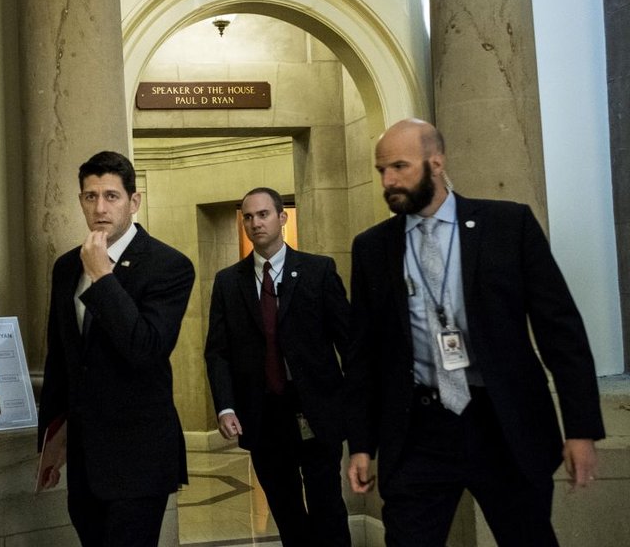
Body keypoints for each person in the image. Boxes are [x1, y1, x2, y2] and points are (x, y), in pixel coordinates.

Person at [345, 119, 605, 546]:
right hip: (417, 432)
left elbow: (561, 331)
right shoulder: (373, 247)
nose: (388, 181)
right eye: (381, 171)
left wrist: (580, 429)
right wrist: (361, 443)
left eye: (399, 167)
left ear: (437, 163)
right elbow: (363, 355)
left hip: (502, 426)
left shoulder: (508, 226)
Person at [36, 151, 195, 547]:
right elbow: (61, 359)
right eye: (90, 197)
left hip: (139, 458)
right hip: (86, 461)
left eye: (111, 196)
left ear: (133, 201)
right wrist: (49, 444)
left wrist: (104, 278)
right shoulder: (66, 267)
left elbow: (146, 348)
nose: (100, 208)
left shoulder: (169, 265)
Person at [204, 187, 351, 546]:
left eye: (263, 214)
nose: (255, 223)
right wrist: (225, 405)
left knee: (327, 506)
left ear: (282, 217)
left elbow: (348, 341)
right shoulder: (228, 282)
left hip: (316, 412)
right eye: (248, 217)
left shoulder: (317, 271)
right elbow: (217, 351)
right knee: (286, 511)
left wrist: (355, 404)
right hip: (264, 415)